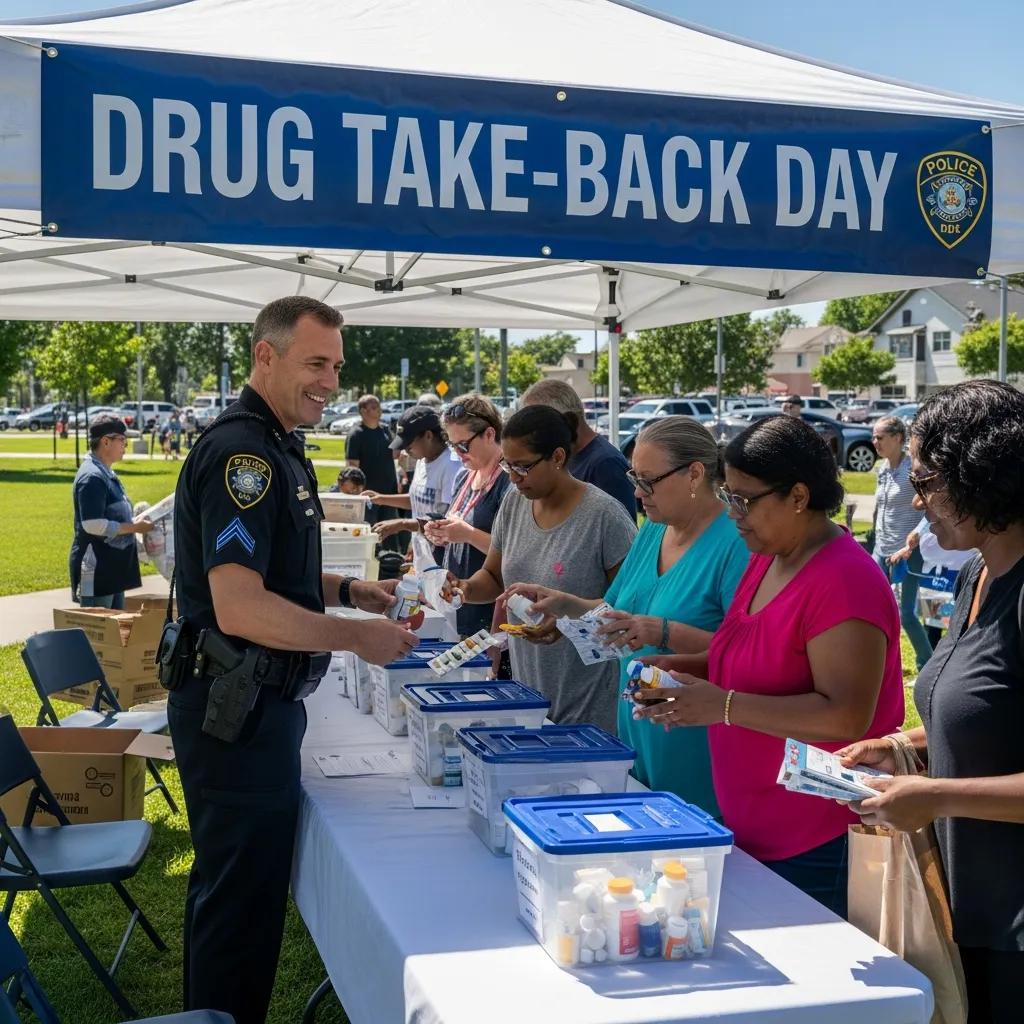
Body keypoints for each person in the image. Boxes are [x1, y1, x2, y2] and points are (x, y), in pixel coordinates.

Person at [170, 296, 416, 1024]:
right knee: (238, 905)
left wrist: (349, 591)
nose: (330, 383)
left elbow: (277, 570)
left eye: (336, 367)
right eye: (316, 363)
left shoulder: (279, 445)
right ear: (265, 355)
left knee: (241, 892)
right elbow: (240, 607)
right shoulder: (244, 456)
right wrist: (354, 636)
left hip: (256, 703)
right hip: (237, 710)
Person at [636, 415, 904, 918]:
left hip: (817, 837)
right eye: (727, 495)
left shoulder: (844, 580)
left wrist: (722, 706)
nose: (731, 512)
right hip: (753, 827)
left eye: (743, 499)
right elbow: (756, 658)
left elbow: (847, 716)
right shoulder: (767, 554)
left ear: (798, 496)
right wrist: (688, 670)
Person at [840, 380, 1024, 1022]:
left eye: (926, 481)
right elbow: (983, 712)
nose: (917, 500)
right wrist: (900, 746)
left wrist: (935, 796)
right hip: (969, 907)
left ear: (982, 473)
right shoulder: (979, 570)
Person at [503, 417, 748, 814]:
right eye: (635, 477)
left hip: (696, 747)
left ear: (694, 474)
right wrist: (564, 605)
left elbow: (747, 653)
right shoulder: (654, 530)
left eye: (648, 481)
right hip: (638, 735)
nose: (636, 492)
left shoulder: (735, 545)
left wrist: (662, 631)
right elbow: (615, 611)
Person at [453, 405, 637, 733]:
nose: (513, 477)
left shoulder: (604, 516)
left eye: (523, 467)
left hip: (589, 704)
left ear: (557, 457)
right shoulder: (514, 503)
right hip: (529, 697)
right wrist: (464, 588)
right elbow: (493, 577)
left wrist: (570, 617)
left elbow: (630, 609)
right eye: (507, 465)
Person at [422, 394, 511, 636]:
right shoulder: (465, 475)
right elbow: (459, 532)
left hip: (488, 614)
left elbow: (515, 552)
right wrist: (441, 533)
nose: (458, 453)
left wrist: (468, 534)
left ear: (489, 434)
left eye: (463, 445)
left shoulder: (509, 483)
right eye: (452, 445)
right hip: (457, 608)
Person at [69, 414, 153, 609]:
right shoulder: (92, 477)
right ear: (106, 442)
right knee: (98, 627)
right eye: (122, 439)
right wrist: (134, 527)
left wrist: (135, 521)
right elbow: (92, 524)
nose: (126, 445)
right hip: (96, 571)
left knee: (116, 627)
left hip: (111, 569)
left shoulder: (104, 472)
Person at [870, 415, 933, 671]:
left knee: (906, 614)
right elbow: (880, 508)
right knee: (874, 609)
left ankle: (927, 664)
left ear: (897, 438)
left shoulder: (913, 470)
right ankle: (881, 662)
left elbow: (930, 508)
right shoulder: (882, 468)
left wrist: (913, 540)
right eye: (873, 437)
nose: (875, 442)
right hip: (880, 550)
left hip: (908, 552)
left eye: (880, 437)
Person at [521, 379, 636, 517]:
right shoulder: (565, 456)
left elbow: (621, 525)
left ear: (568, 420)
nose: (533, 435)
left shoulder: (606, 464)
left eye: (538, 426)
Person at [363, 406, 461, 552]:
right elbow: (417, 501)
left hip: (441, 554)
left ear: (428, 436)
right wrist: (380, 498)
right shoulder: (422, 460)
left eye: (408, 445)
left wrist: (402, 524)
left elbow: (445, 521)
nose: (405, 450)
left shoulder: (452, 466)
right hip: (422, 551)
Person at [346, 393, 402, 551]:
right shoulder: (356, 434)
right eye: (374, 407)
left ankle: (391, 559)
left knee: (390, 530)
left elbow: (395, 455)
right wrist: (356, 490)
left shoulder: (385, 429)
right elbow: (352, 466)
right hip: (367, 493)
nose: (379, 410)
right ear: (363, 411)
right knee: (369, 531)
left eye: (379, 406)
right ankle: (370, 558)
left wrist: (401, 438)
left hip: (388, 491)